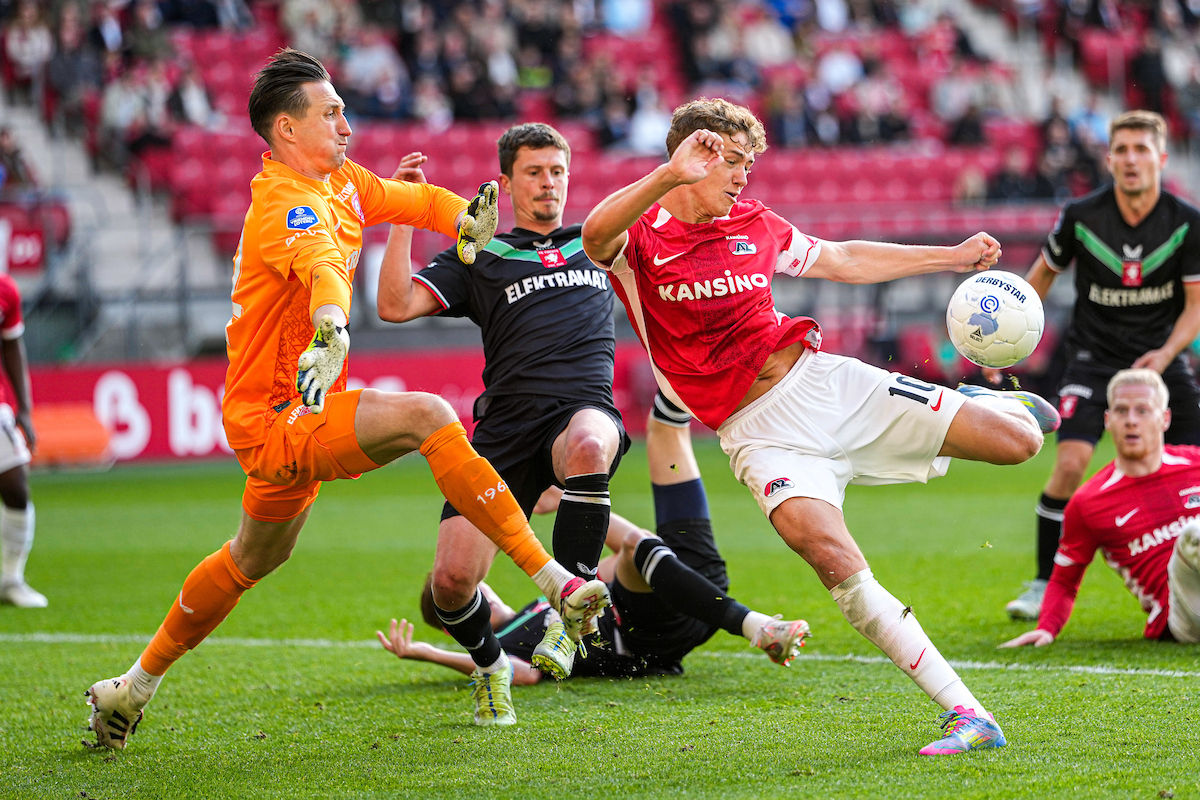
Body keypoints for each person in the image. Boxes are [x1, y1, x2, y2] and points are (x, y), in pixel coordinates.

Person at [83, 49, 609, 750]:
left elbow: (412, 200)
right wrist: (332, 326)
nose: (347, 126)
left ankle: (131, 688)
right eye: (331, 114)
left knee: (249, 560)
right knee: (429, 415)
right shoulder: (283, 205)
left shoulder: (338, 182)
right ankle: (555, 585)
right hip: (277, 419)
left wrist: (465, 218)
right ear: (286, 129)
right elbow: (324, 268)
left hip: (291, 414)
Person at [580, 97, 1063, 756]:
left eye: (750, 164)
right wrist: (668, 175)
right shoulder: (642, 236)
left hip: (827, 387)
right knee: (832, 558)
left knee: (1021, 445)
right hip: (758, 435)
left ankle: (1008, 408)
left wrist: (947, 257)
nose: (744, 177)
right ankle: (968, 713)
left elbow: (842, 259)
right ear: (695, 154)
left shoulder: (756, 223)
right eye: (734, 163)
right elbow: (593, 239)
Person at [374, 122, 629, 725]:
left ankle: (571, 610)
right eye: (535, 172)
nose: (549, 184)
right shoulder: (482, 253)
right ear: (508, 184)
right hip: (505, 432)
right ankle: (491, 667)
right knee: (452, 585)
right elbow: (393, 306)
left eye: (558, 171)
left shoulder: (598, 241)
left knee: (592, 442)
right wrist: (404, 216)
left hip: (581, 411)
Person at [378, 402, 812, 682]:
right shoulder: (503, 643)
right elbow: (523, 675)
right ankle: (758, 627)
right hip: (649, 632)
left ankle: (569, 498)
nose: (482, 591)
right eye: (468, 598)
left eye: (477, 588)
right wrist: (427, 653)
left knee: (666, 422)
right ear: (459, 618)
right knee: (627, 555)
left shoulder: (538, 605)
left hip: (692, 586)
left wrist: (563, 502)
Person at [997, 111, 1200, 622]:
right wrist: (1006, 343)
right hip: (1091, 359)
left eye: (1141, 150)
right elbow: (1038, 280)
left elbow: (1196, 305)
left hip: (1162, 360)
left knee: (1194, 466)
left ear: (1161, 159)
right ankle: (1044, 583)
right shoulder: (1081, 216)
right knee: (1068, 465)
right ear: (1109, 158)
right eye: (1122, 150)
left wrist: (1168, 354)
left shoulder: (1187, 222)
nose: (1131, 160)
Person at [1001, 369, 1200, 648]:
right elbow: (1064, 581)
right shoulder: (1088, 502)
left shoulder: (1196, 464)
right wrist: (1046, 628)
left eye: (1143, 410)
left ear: (1164, 418)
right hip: (1182, 616)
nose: (1131, 421)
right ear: (1108, 420)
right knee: (1196, 534)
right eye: (1121, 411)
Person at [0, 273, 41, 608]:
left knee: (16, 486)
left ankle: (11, 580)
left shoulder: (6, 289)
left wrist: (24, 408)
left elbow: (12, 344)